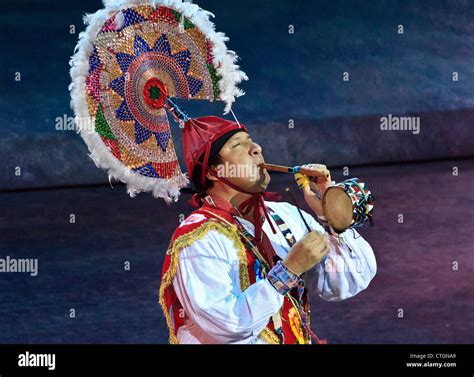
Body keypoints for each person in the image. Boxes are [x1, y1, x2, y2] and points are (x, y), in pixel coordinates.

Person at [159, 116, 377, 344]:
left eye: (251, 140)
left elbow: (345, 281)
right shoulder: (198, 238)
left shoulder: (282, 215)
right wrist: (289, 270)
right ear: (214, 172)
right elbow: (226, 324)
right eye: (238, 145)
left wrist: (332, 215)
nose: (256, 148)